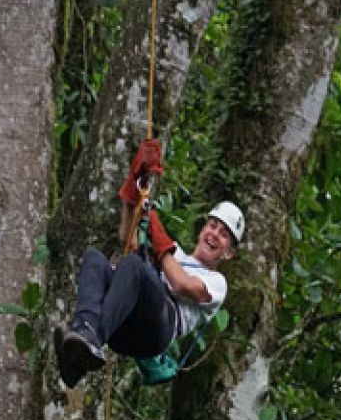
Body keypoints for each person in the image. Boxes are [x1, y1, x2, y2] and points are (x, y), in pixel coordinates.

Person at [54, 140, 244, 388]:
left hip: (157, 331)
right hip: (123, 329)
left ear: (228, 252)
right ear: (203, 228)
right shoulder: (176, 254)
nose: (214, 234)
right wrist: (133, 188)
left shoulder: (217, 283)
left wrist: (156, 230)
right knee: (95, 259)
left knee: (134, 266)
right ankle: (83, 338)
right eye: (213, 226)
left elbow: (182, 284)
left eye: (224, 235)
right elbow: (127, 238)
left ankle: (91, 340)